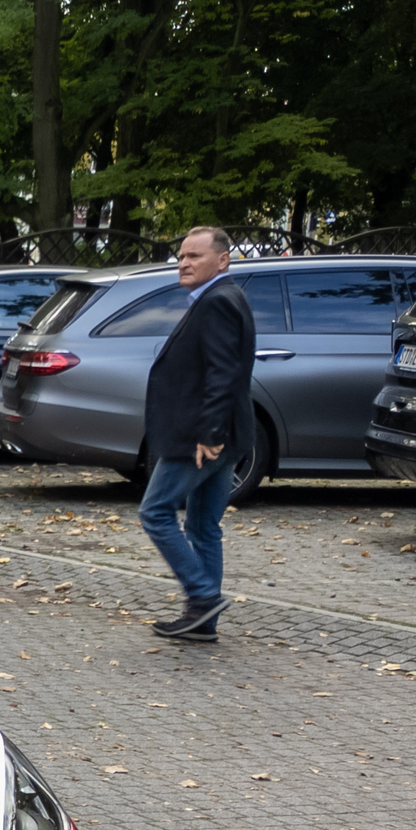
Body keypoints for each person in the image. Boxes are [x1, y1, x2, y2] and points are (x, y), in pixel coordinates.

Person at [138, 225, 256, 642]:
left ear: (222, 260)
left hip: (202, 437)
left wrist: (208, 432)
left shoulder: (218, 302)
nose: (183, 263)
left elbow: (222, 373)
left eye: (194, 256)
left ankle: (203, 595)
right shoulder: (222, 297)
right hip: (221, 433)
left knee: (154, 512)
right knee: (205, 528)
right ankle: (202, 624)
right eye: (182, 256)